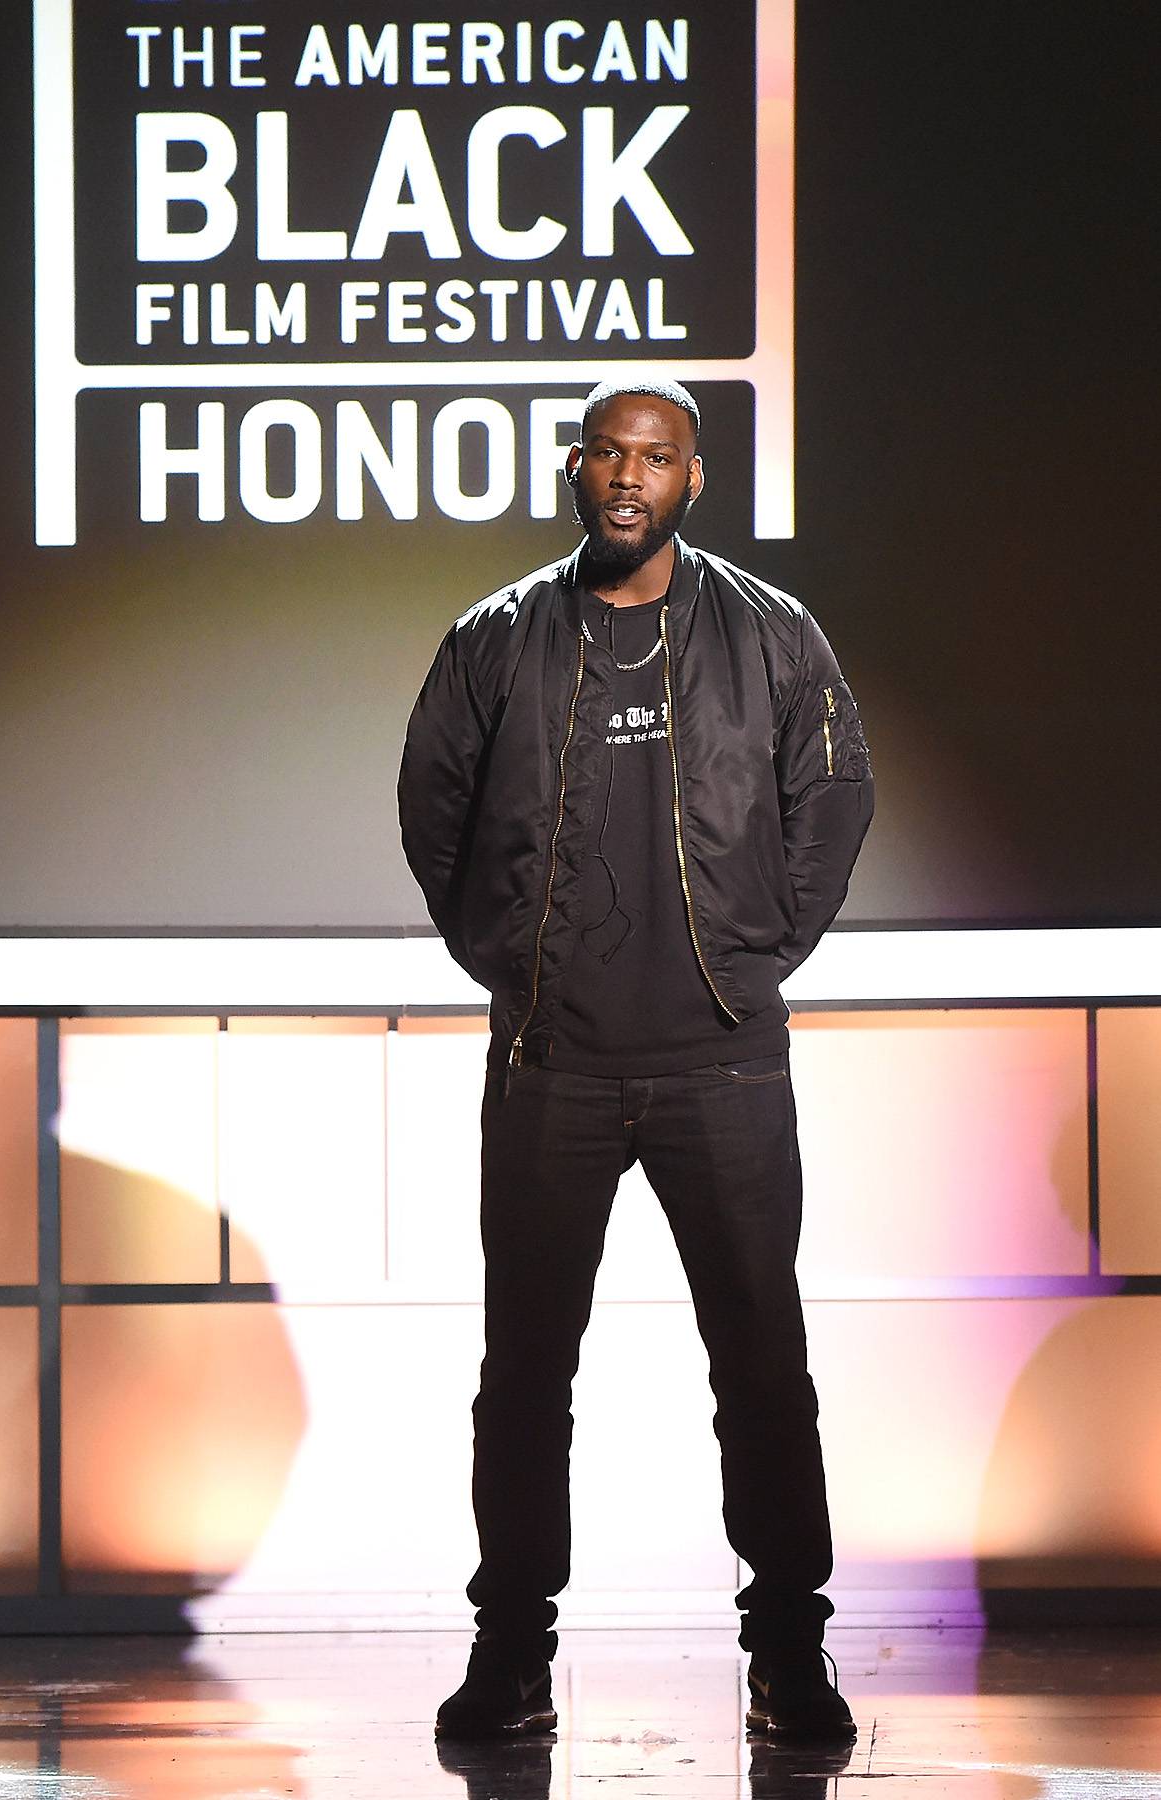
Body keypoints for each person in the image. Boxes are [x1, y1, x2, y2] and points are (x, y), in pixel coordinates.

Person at [398, 379, 874, 1743]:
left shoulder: (770, 635)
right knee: (527, 1367)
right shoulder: (496, 639)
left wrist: (753, 954)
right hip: (552, 1061)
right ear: (573, 468)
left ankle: (789, 1647)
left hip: (723, 1062)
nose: (628, 475)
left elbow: (832, 794)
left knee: (761, 1361)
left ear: (693, 478)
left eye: (656, 456)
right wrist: (508, 961)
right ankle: (511, 1656)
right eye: (608, 452)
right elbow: (433, 800)